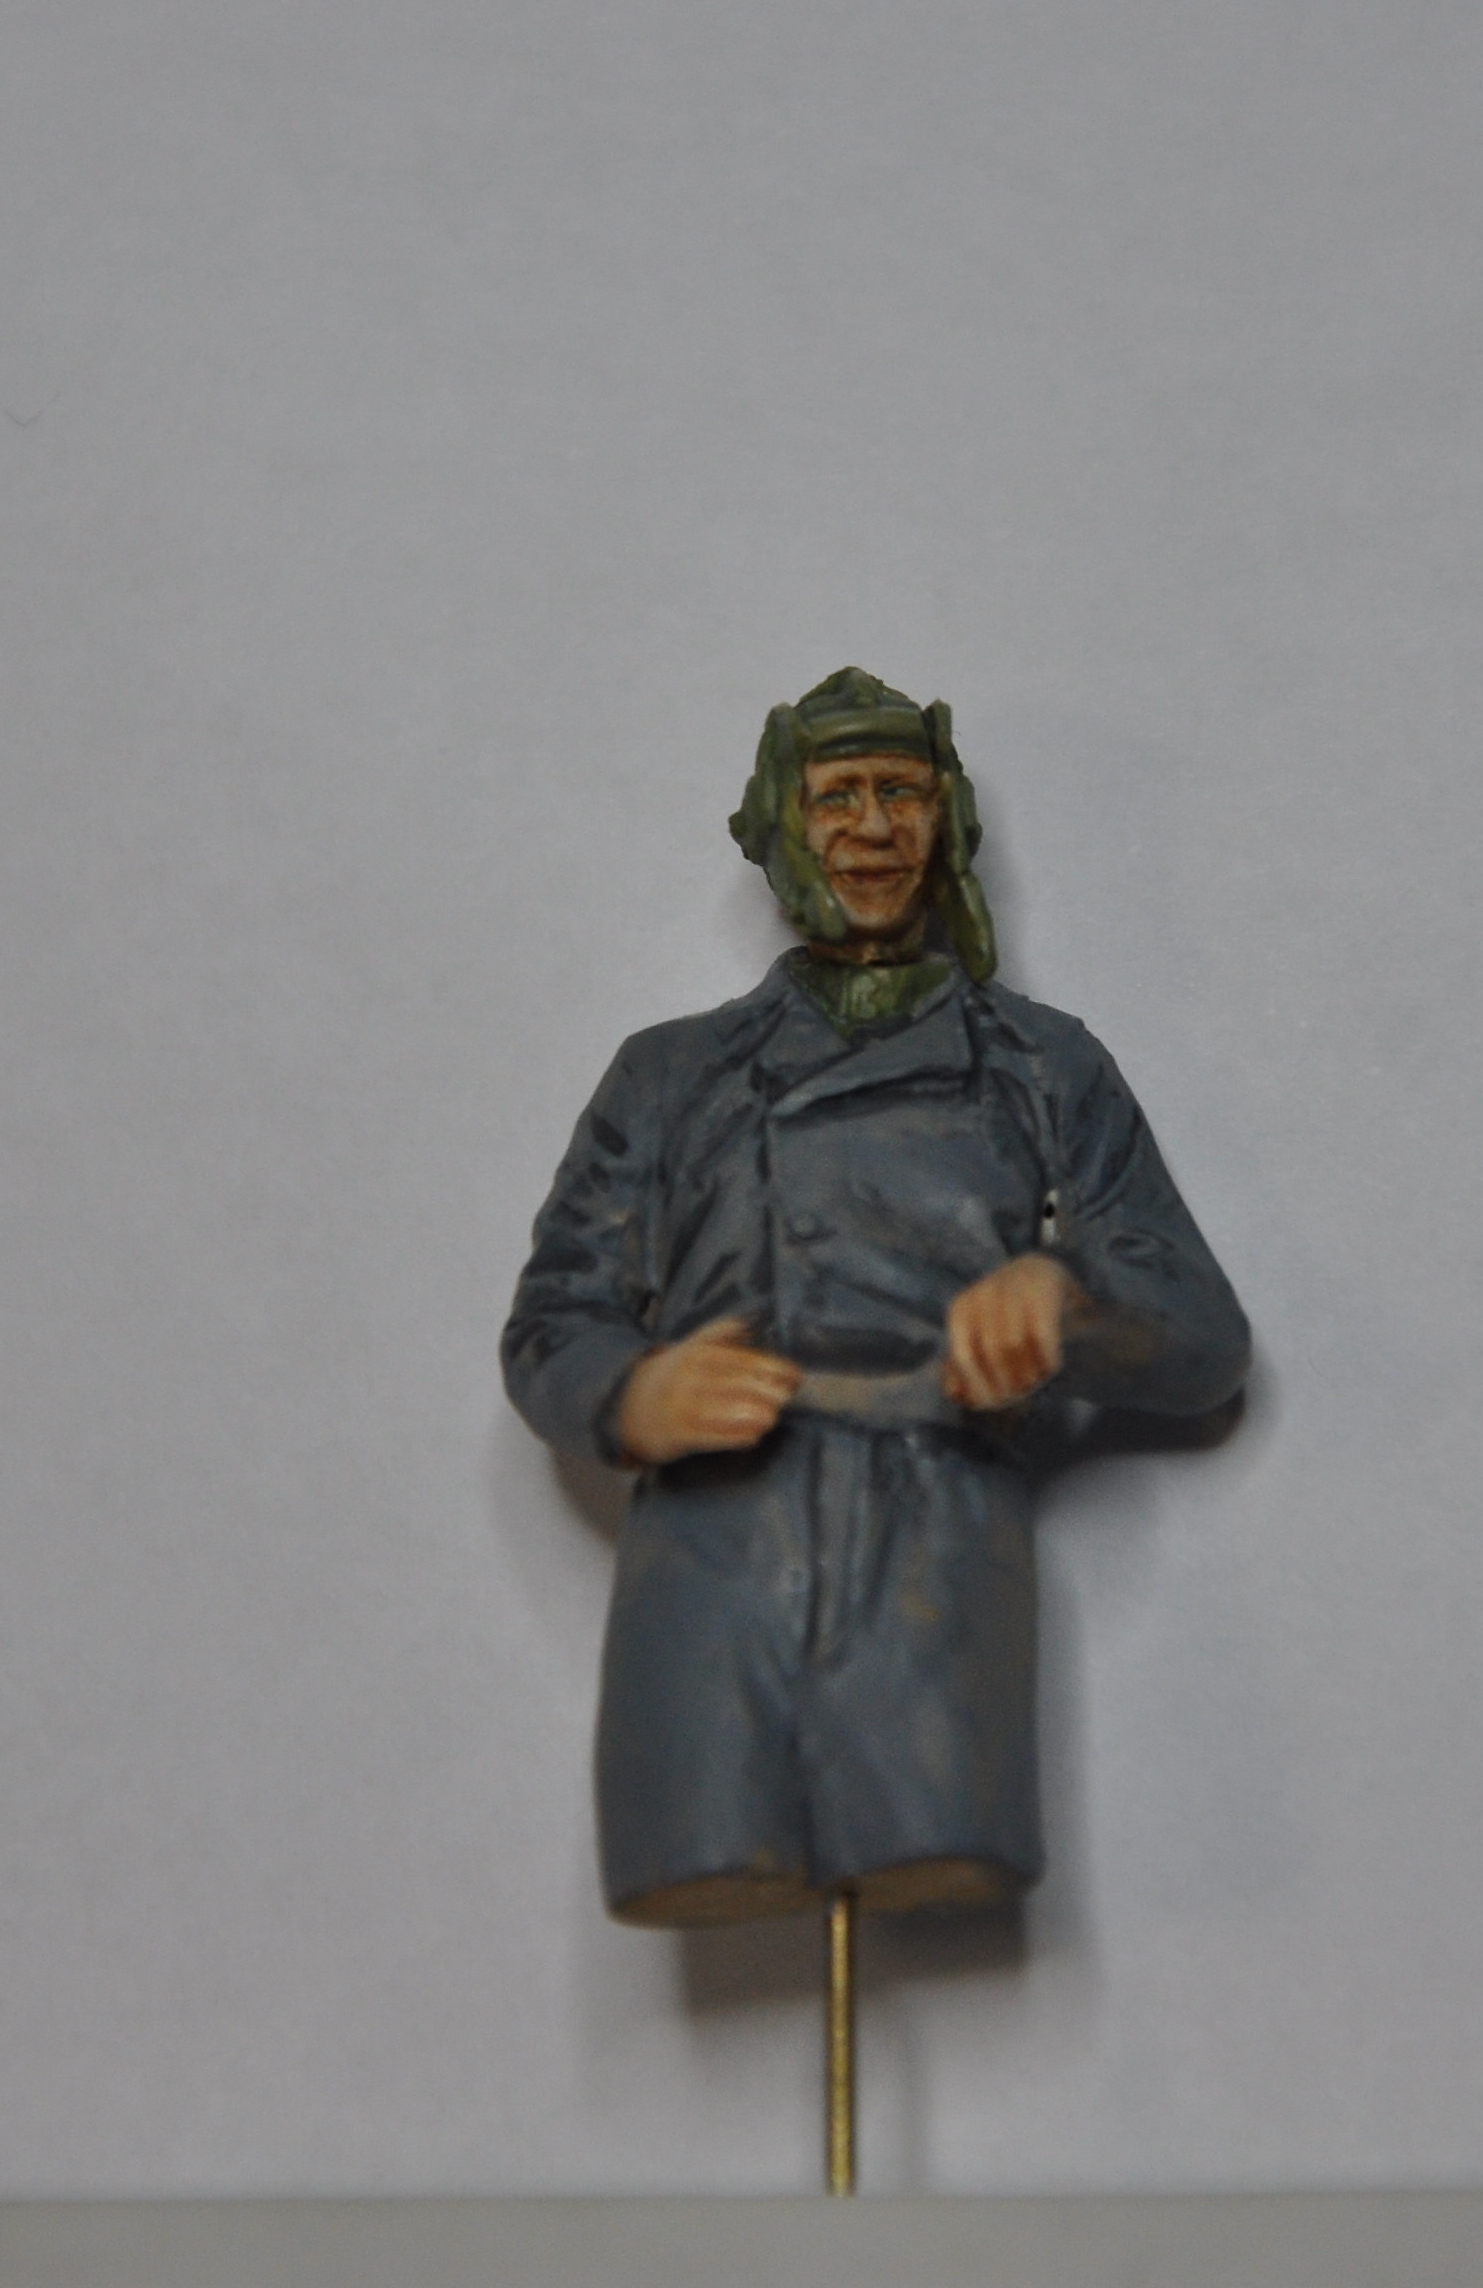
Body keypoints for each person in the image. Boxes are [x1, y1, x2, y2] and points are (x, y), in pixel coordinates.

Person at [502, 670, 1250, 1927]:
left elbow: (1202, 1336)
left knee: (928, 1828)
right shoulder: (671, 1073)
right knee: (708, 1842)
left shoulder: (1042, 1064)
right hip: (713, 1545)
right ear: (779, 824)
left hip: (936, 1527)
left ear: (947, 819)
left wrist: (1066, 1297)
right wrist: (632, 1392)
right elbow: (552, 1318)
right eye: (835, 796)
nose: (872, 828)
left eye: (902, 793)